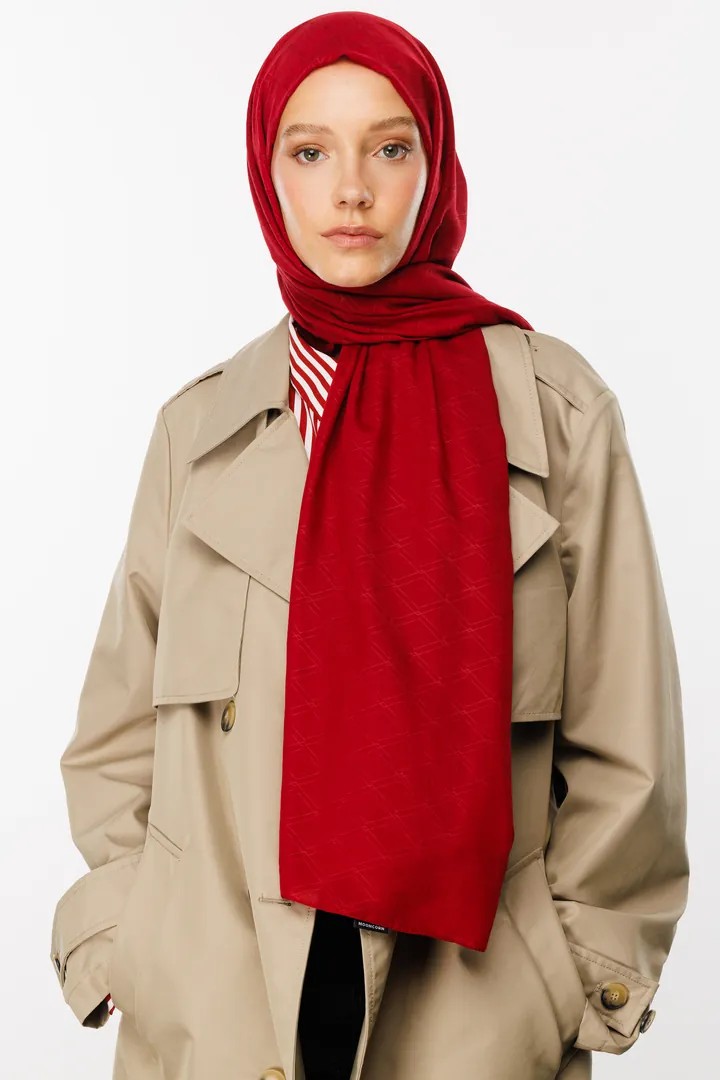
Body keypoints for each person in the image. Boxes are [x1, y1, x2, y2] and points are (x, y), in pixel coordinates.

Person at [49, 11, 689, 1080]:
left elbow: (629, 741)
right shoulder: (197, 431)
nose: (351, 189)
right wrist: (126, 936)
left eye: (390, 148)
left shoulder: (554, 412)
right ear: (268, 177)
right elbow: (116, 735)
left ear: (435, 169)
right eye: (311, 152)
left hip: (473, 1020)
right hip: (212, 1020)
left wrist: (573, 975)